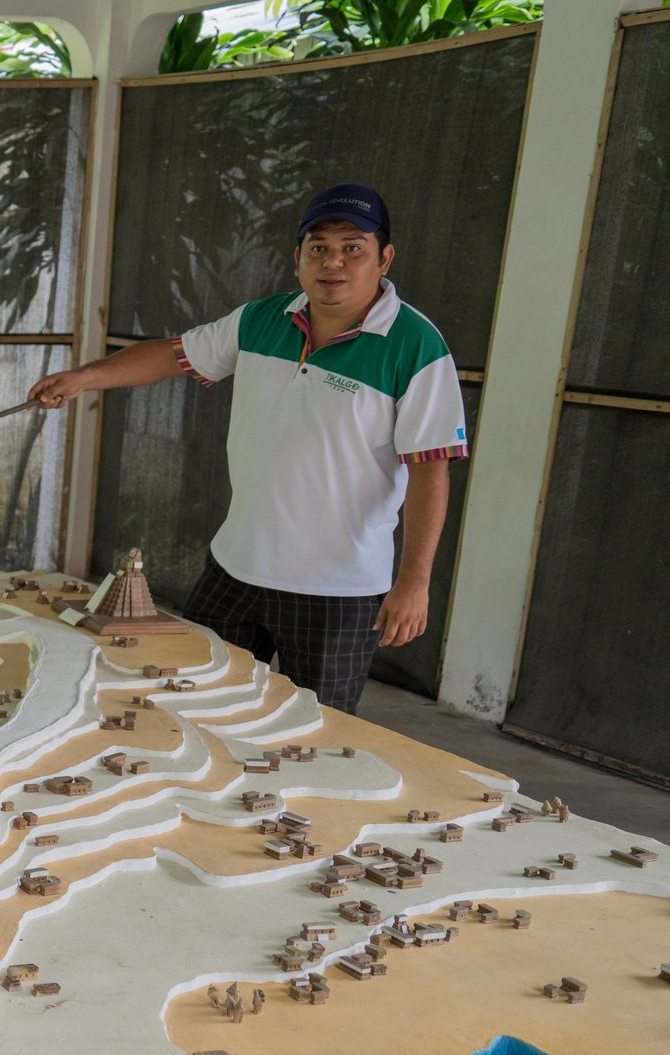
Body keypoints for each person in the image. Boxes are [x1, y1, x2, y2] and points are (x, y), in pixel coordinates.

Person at [28, 182, 467, 712]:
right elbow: (174, 355)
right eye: (319, 247)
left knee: (314, 730)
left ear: (384, 257)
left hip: (338, 592)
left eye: (353, 247)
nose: (334, 262)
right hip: (234, 569)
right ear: (298, 257)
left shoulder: (416, 347)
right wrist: (83, 378)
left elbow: (429, 471)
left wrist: (414, 582)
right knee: (194, 708)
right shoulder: (262, 320)